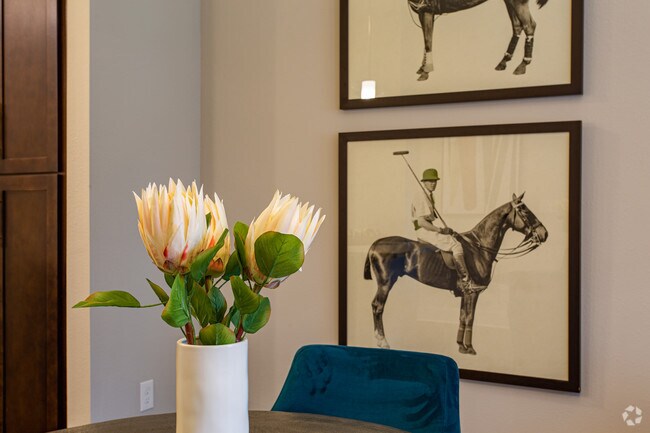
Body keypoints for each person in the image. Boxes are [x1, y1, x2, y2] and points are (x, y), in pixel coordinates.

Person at [411, 168, 482, 292]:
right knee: (456, 245)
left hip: (427, 228)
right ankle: (465, 282)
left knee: (454, 238)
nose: (433, 183)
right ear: (424, 182)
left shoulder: (429, 195)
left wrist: (444, 230)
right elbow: (421, 222)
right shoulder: (421, 196)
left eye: (435, 181)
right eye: (430, 181)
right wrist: (439, 230)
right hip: (423, 230)